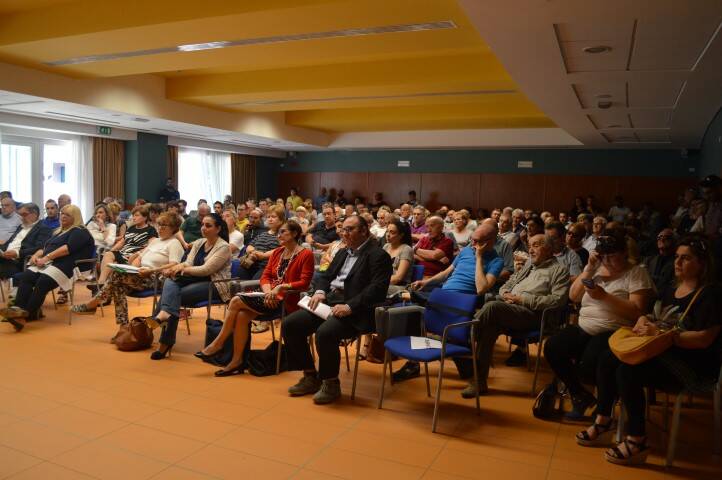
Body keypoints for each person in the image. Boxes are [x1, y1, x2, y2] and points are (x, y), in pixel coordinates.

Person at [580, 235, 721, 466]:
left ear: (702, 263)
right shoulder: (671, 288)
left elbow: (704, 340)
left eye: (685, 258)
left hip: (691, 361)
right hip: (663, 350)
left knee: (628, 371)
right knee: (608, 357)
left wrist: (664, 335)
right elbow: (653, 315)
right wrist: (644, 320)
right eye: (676, 257)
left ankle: (637, 440)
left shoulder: (711, 294)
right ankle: (603, 419)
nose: (677, 262)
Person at [544, 225, 653, 420]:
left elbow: (637, 311)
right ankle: (579, 394)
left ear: (624, 253)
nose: (607, 261)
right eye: (603, 256)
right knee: (553, 347)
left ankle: (605, 404)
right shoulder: (596, 268)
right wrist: (588, 269)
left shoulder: (636, 272)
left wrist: (604, 296)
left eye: (612, 256)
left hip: (615, 329)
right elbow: (574, 296)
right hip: (585, 325)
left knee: (589, 362)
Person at [282, 215, 392, 404]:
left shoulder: (378, 255)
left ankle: (331, 383)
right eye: (343, 229)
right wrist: (319, 291)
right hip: (330, 302)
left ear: (364, 231)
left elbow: (377, 290)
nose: (344, 233)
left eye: (349, 229)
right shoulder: (342, 252)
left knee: (325, 333)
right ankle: (310, 376)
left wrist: (350, 306)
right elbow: (325, 275)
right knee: (290, 324)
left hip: (357, 309)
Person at [197, 220, 315, 376]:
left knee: (236, 300)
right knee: (241, 315)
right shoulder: (278, 252)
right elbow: (265, 277)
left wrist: (280, 288)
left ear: (294, 234)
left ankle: (218, 344)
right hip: (268, 297)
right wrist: (268, 291)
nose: (279, 235)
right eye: (278, 232)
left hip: (286, 301)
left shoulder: (305, 254)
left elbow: (304, 282)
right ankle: (237, 361)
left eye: (283, 232)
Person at [395, 223, 504, 383]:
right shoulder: (466, 251)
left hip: (463, 301)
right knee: (411, 309)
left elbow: (481, 288)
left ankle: (421, 363)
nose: (473, 244)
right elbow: (446, 272)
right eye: (472, 240)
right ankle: (416, 363)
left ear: (491, 241)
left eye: (478, 241)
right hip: (443, 294)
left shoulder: (496, 261)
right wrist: (426, 282)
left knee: (418, 310)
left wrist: (479, 257)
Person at [464, 234, 570, 396]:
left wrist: (522, 299)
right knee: (489, 326)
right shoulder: (529, 265)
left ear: (548, 249)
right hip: (511, 309)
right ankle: (479, 382)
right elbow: (507, 284)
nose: (531, 250)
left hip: (535, 316)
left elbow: (556, 301)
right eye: (530, 245)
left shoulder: (559, 271)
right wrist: (506, 294)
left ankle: (464, 337)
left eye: (536, 245)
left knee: (492, 307)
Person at [71, 213, 185, 332]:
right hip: (141, 275)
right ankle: (123, 327)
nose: (160, 228)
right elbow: (139, 258)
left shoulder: (174, 243)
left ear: (173, 228)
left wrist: (150, 270)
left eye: (164, 226)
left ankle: (93, 304)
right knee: (118, 286)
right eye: (159, 224)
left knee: (116, 276)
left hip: (157, 277)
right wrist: (131, 265)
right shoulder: (156, 241)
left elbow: (174, 265)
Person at [145, 213, 232, 359]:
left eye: (208, 225)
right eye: (202, 224)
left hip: (214, 285)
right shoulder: (199, 243)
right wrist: (177, 267)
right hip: (193, 279)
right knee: (171, 283)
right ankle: (164, 321)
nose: (203, 228)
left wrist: (181, 269)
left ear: (218, 229)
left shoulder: (224, 247)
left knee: (172, 297)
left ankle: (164, 339)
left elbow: (206, 270)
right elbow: (188, 263)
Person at [1, 205, 94, 331]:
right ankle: (18, 310)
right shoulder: (58, 231)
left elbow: (67, 249)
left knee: (43, 281)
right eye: (62, 213)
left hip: (68, 265)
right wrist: (36, 255)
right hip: (51, 263)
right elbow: (45, 248)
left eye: (67, 214)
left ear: (75, 217)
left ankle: (27, 314)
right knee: (27, 276)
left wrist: (46, 258)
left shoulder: (80, 231)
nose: (63, 216)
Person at [95, 205, 157, 289]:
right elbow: (121, 242)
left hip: (134, 256)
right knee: (108, 255)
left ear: (145, 217)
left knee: (114, 266)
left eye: (137, 215)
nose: (134, 218)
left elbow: (151, 246)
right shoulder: (131, 228)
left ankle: (103, 289)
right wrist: (111, 251)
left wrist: (137, 254)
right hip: (123, 253)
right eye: (133, 215)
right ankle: (100, 285)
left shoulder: (150, 230)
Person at [0, 203, 53, 279]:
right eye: (20, 215)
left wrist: (17, 253)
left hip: (20, 261)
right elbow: (9, 243)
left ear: (34, 214)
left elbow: (39, 248)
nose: (21, 218)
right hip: (5, 257)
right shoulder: (21, 227)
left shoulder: (44, 228)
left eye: (24, 214)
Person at [238, 205, 283, 280]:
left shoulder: (283, 234)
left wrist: (263, 255)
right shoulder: (263, 233)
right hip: (252, 263)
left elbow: (283, 249)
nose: (270, 219)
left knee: (254, 283)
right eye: (268, 217)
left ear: (281, 220)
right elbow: (250, 246)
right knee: (239, 279)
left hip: (268, 267)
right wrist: (253, 252)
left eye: (273, 217)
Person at [383, 217, 414, 295]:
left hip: (401, 287)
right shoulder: (386, 246)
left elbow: (398, 278)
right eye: (387, 231)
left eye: (392, 232)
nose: (388, 235)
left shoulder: (406, 249)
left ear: (401, 235)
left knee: (373, 290)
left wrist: (378, 282)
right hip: (385, 283)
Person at [642, 228, 676, 294]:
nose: (662, 239)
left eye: (667, 237)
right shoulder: (648, 260)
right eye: (659, 237)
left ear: (674, 241)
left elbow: (669, 283)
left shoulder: (677, 261)